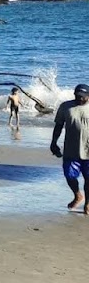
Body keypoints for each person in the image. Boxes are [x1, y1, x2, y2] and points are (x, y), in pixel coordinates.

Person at [49, 84, 89, 213]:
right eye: (77, 96)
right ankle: (77, 194)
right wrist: (53, 142)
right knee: (70, 175)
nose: (80, 99)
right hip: (71, 149)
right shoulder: (66, 107)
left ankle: (88, 203)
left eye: (83, 97)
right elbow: (59, 125)